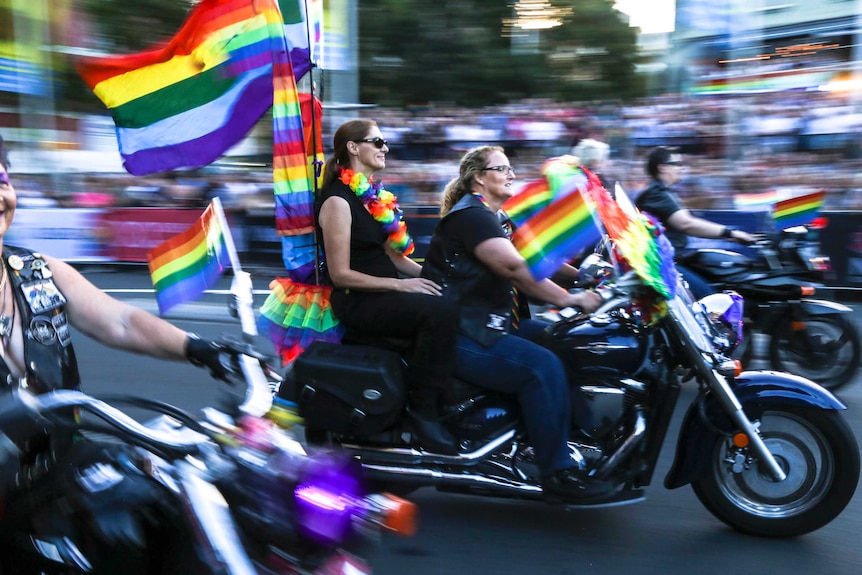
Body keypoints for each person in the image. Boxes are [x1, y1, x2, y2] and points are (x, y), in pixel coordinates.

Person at [0, 133, 255, 571]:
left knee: (158, 513)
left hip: (63, 467)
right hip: (6, 495)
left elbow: (119, 321)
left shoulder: (38, 270)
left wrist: (199, 349)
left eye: (1, 180)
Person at [422, 145, 616, 502]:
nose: (512, 174)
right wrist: (569, 299)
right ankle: (557, 471)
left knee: (566, 341)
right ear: (480, 177)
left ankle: (579, 436)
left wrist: (591, 278)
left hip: (491, 322)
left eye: (511, 168)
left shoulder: (496, 218)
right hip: (463, 330)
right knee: (542, 367)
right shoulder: (471, 217)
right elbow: (515, 269)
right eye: (502, 168)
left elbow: (536, 258)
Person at [316, 119, 460, 453]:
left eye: (384, 143)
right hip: (358, 299)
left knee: (452, 298)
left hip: (383, 291)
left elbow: (394, 259)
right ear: (353, 148)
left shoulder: (369, 197)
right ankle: (425, 412)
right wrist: (401, 288)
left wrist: (438, 277)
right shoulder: (338, 201)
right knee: (439, 313)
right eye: (377, 141)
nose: (385, 148)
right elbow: (341, 275)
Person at [635, 146, 756, 299]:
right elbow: (687, 224)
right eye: (677, 164)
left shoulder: (663, 192)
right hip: (663, 264)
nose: (681, 168)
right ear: (663, 168)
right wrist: (730, 232)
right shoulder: (656, 194)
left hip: (670, 260)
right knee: (709, 299)